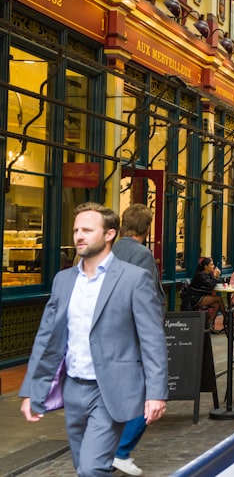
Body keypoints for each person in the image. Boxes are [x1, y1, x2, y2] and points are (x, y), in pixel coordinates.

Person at [20, 202, 168, 477]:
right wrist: (32, 389)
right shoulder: (63, 281)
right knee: (82, 467)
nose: (79, 235)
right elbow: (47, 339)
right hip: (73, 388)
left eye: (87, 230)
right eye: (77, 229)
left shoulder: (134, 279)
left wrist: (156, 392)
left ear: (109, 234)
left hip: (111, 388)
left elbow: (152, 338)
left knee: (91, 468)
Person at [108, 204, 163, 476]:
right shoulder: (142, 256)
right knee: (148, 393)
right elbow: (147, 299)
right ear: (146, 228)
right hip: (132, 335)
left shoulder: (108, 250)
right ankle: (120, 451)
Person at [191, 257, 225, 330]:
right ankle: (227, 318)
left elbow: (216, 283)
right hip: (195, 298)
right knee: (218, 298)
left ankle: (209, 324)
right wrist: (215, 276)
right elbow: (210, 285)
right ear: (206, 267)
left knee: (217, 304)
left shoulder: (208, 274)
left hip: (203, 296)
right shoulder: (200, 275)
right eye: (211, 265)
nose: (214, 266)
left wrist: (217, 276)